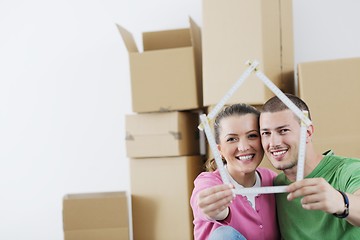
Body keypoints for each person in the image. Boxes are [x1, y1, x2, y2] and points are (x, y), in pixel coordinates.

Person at [259, 93, 360, 239]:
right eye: (266, 133)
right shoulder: (275, 186)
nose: (273, 143)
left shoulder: (347, 170)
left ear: (307, 132)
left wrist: (340, 201)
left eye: (283, 131)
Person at [190, 103, 280, 240]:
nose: (243, 147)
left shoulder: (272, 179)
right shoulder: (209, 182)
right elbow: (202, 202)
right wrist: (216, 211)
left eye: (252, 136)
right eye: (232, 139)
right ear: (219, 149)